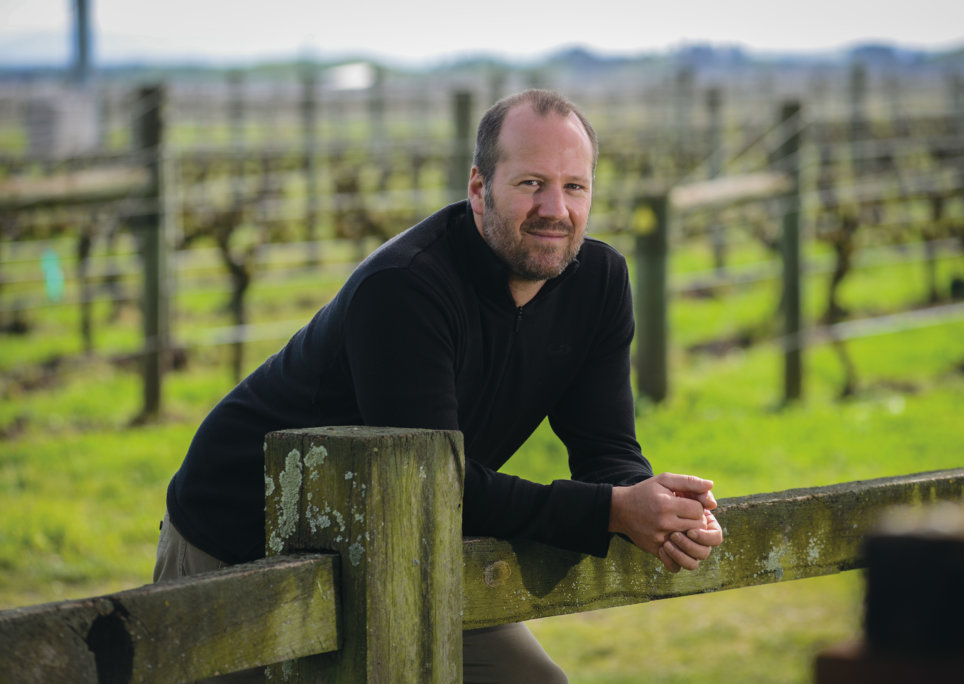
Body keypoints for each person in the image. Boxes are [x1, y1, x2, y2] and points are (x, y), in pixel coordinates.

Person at [155, 89, 722, 683]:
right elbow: (436, 483)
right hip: (240, 540)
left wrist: (655, 506)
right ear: (479, 189)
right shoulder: (405, 288)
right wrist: (611, 511)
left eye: (574, 187)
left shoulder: (599, 282)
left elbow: (605, 445)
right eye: (531, 183)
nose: (556, 208)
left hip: (400, 539)